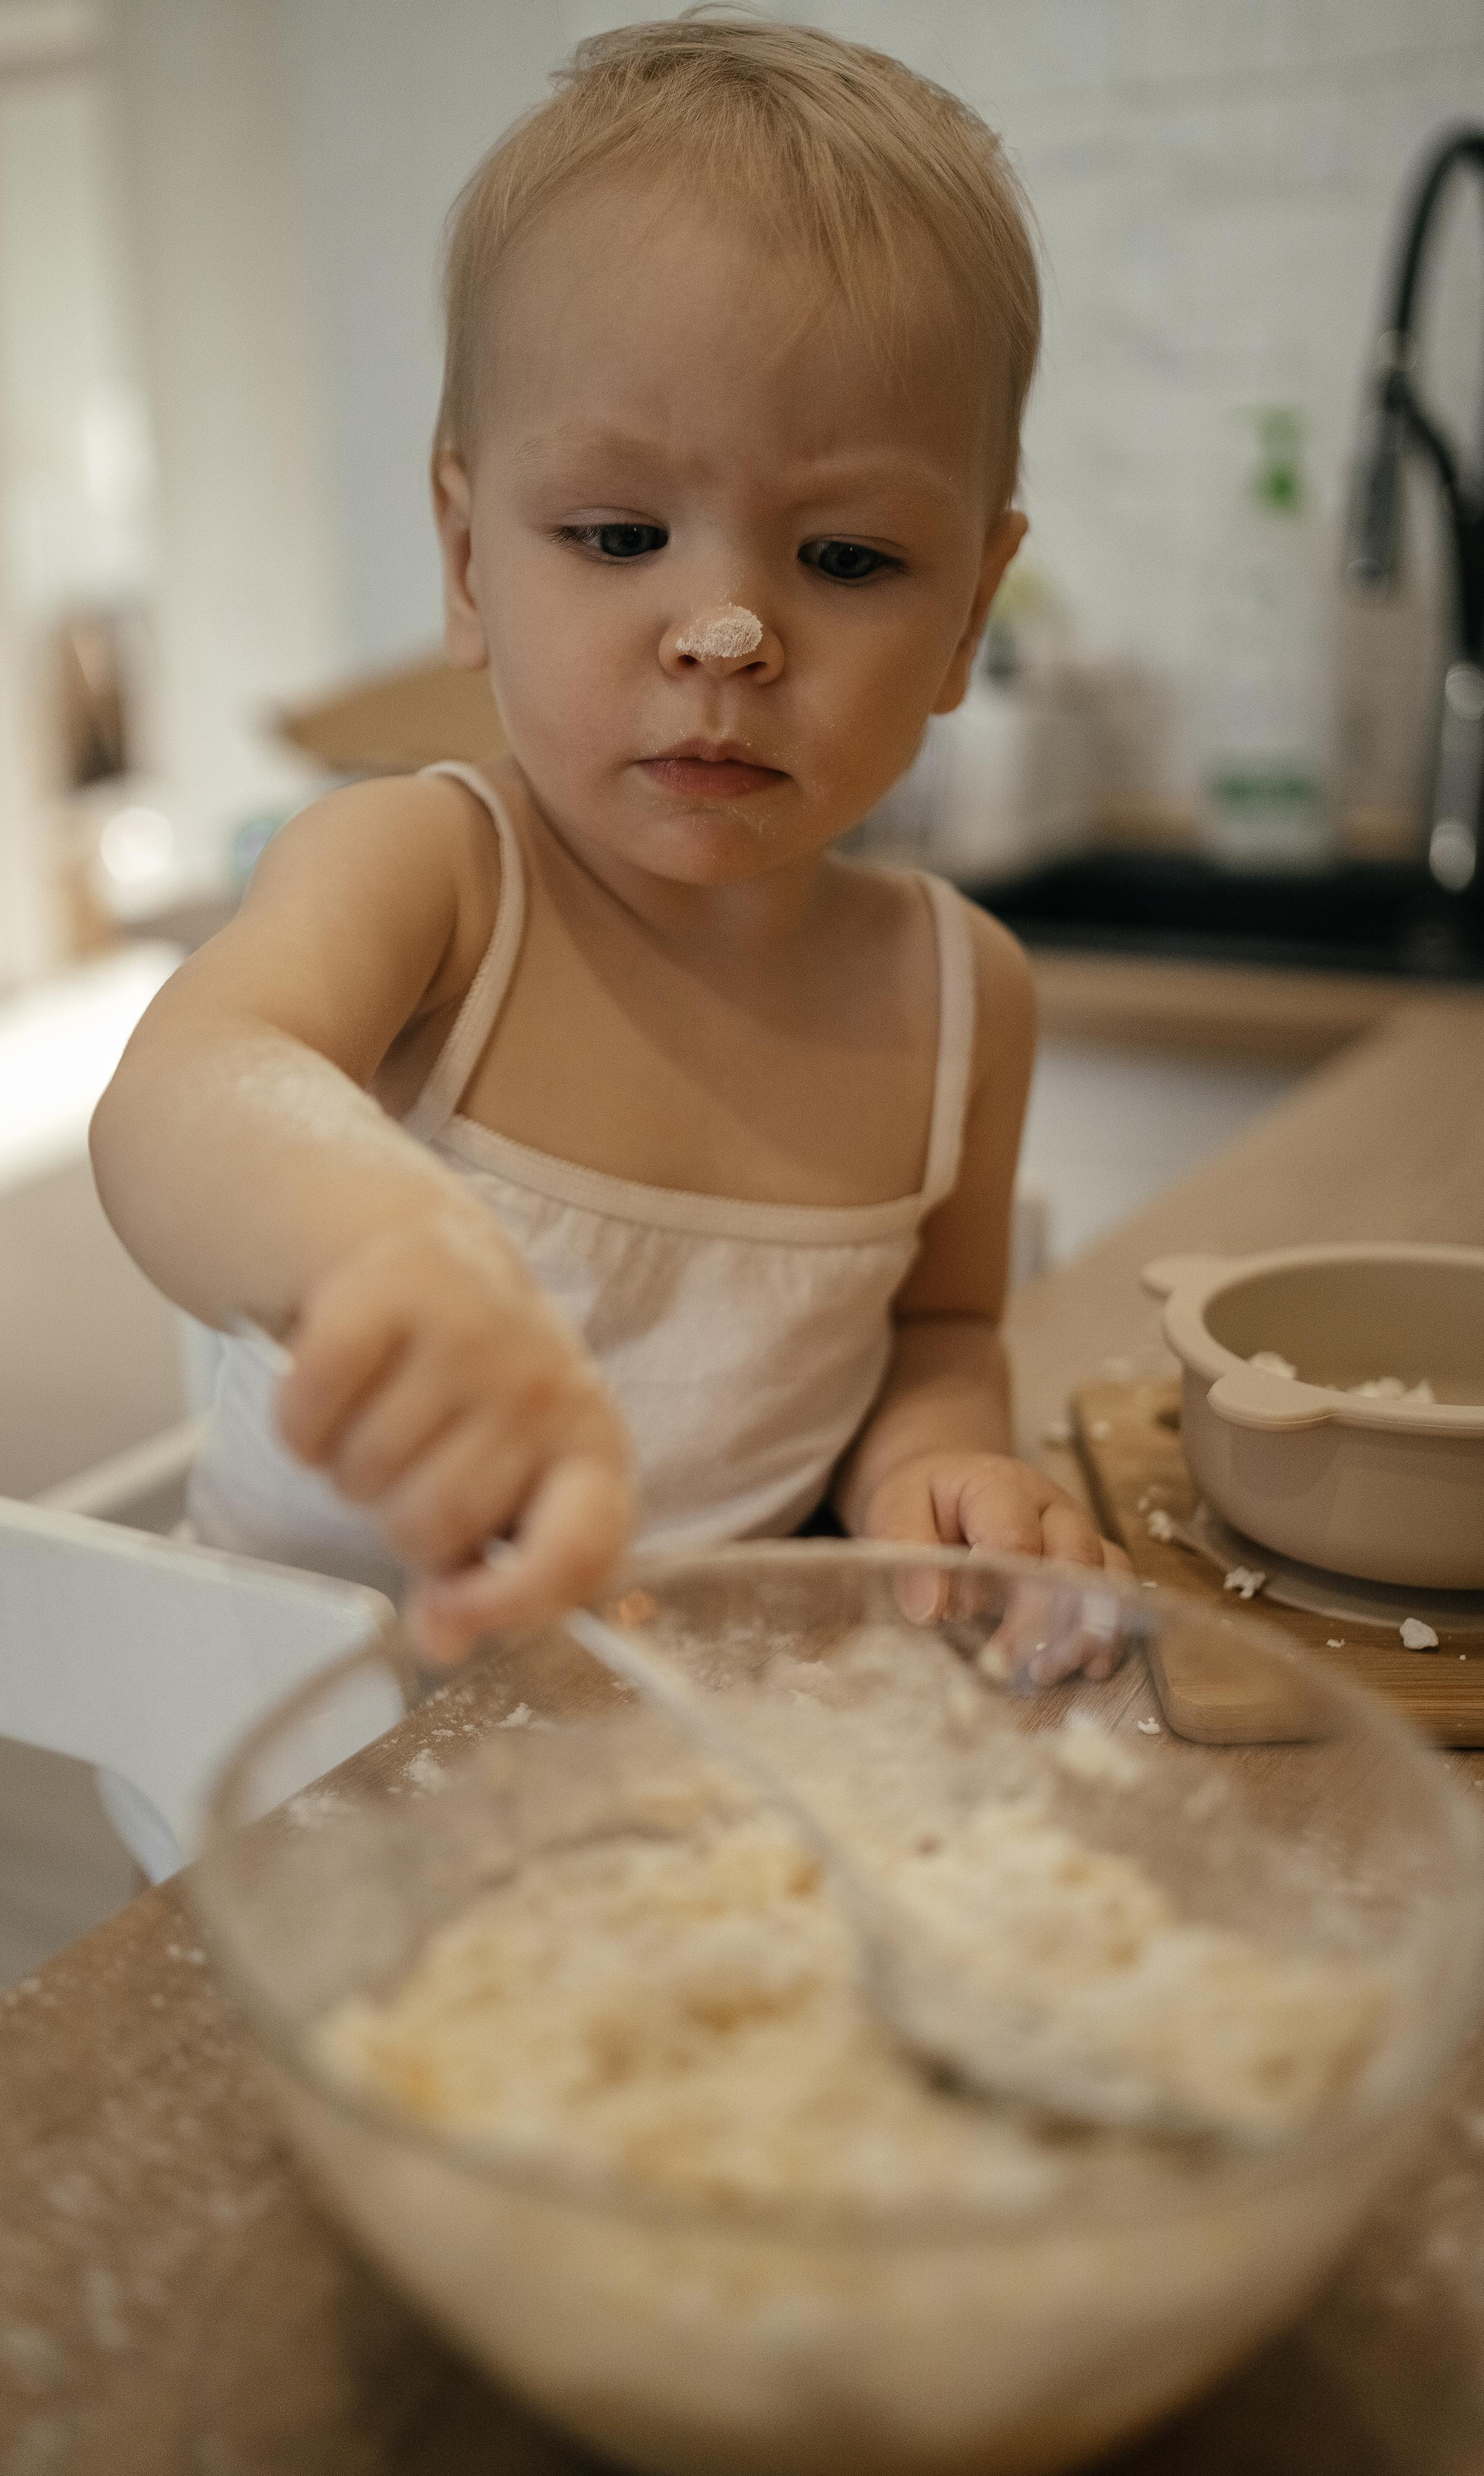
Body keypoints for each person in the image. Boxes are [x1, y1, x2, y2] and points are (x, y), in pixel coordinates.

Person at [91, 15, 1128, 1668]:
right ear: (465, 557)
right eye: (619, 534)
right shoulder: (424, 876)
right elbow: (182, 1094)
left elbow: (932, 1325)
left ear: (966, 618)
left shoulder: (960, 999)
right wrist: (366, 1234)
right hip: (299, 1767)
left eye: (846, 559)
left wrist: (933, 1461)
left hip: (695, 1751)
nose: (723, 632)